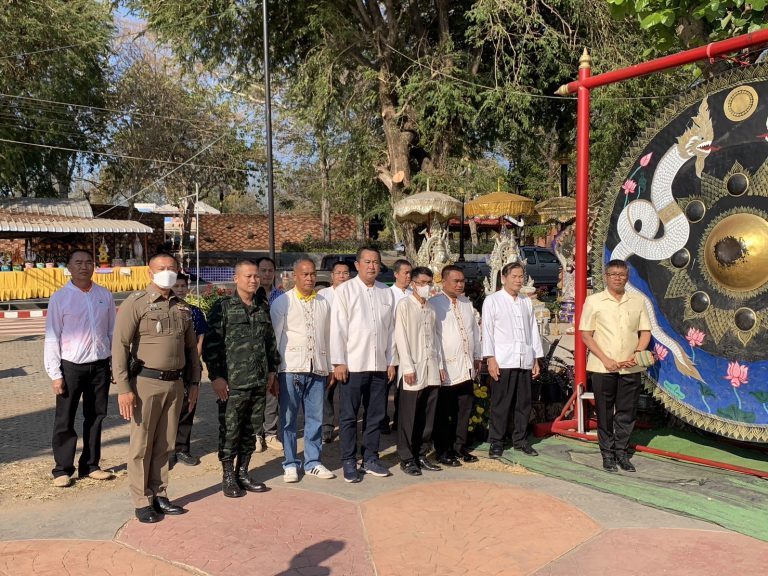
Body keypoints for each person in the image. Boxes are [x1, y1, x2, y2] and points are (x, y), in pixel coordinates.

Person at [112, 253, 201, 523]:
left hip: (174, 384)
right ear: (150, 273)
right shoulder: (136, 303)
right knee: (142, 444)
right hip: (145, 384)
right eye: (161, 269)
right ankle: (142, 500)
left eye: (172, 268)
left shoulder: (183, 308)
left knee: (165, 443)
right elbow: (119, 346)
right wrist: (124, 388)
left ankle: (160, 493)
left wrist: (194, 382)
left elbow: (191, 350)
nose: (167, 273)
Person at [203, 259, 281, 497]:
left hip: (258, 381)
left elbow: (269, 342)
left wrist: (271, 371)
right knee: (230, 430)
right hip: (232, 384)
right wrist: (216, 377)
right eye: (248, 276)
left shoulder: (262, 307)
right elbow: (211, 346)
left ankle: (243, 472)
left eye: (256, 276)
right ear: (236, 279)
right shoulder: (223, 307)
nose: (253, 280)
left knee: (251, 429)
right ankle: (228, 476)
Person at [44, 249, 116, 488]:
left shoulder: (104, 295)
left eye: (88, 262)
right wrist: (55, 374)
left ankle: (91, 465)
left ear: (94, 266)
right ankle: (62, 469)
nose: (84, 266)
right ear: (69, 267)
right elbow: (52, 337)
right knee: (65, 418)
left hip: (100, 366)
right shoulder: (60, 297)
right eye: (78, 262)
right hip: (71, 367)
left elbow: (112, 333)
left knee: (96, 416)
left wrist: (114, 363)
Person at [330, 246, 396, 483]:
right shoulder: (345, 291)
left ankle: (370, 457)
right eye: (367, 261)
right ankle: (348, 460)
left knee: (376, 415)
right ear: (357, 265)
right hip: (353, 364)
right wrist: (339, 361)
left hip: (379, 365)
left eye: (376, 262)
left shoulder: (386, 292)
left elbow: (391, 331)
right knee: (349, 415)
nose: (372, 266)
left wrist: (391, 361)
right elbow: (337, 328)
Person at [579, 259, 651, 473]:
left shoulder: (637, 301)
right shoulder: (594, 301)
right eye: (614, 274)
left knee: (627, 412)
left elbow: (645, 331)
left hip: (630, 366)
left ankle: (622, 452)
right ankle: (607, 454)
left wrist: (637, 353)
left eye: (622, 274)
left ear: (627, 277)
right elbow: (586, 335)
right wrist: (605, 359)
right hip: (603, 366)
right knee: (604, 411)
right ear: (606, 277)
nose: (618, 278)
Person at [270, 259, 336, 482]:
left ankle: (313, 462)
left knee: (315, 418)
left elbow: (327, 337)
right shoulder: (282, 303)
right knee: (288, 419)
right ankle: (289, 463)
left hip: (316, 368)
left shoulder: (323, 303)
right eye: (305, 274)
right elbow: (275, 338)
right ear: (295, 276)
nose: (309, 278)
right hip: (290, 369)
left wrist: (328, 368)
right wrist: (275, 372)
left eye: (312, 274)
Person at [481, 262, 543, 459]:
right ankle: (496, 441)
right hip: (503, 360)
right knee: (501, 403)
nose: (518, 280)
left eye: (520, 276)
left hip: (524, 358)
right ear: (503, 278)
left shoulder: (525, 301)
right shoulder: (493, 300)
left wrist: (535, 358)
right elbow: (487, 331)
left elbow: (533, 330)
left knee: (523, 404)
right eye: (514, 276)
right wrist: (490, 358)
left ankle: (520, 440)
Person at [394, 266, 445, 476]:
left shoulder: (431, 308)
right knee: (409, 416)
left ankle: (422, 453)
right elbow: (401, 338)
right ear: (413, 283)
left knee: (427, 414)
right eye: (422, 283)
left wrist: (440, 365)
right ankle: (407, 457)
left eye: (429, 283)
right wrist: (407, 366)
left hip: (431, 366)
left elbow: (436, 339)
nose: (426, 287)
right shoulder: (405, 305)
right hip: (412, 368)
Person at [430, 265, 481, 467]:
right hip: (446, 369)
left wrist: (477, 356)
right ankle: (443, 450)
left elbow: (474, 332)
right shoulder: (435, 304)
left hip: (467, 366)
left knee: (464, 409)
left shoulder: (466, 303)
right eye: (456, 281)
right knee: (445, 412)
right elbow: (434, 338)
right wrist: (439, 365)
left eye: (462, 281)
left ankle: (460, 447)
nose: (461, 284)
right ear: (444, 281)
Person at [169, 273, 207, 468]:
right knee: (169, 408)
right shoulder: (163, 310)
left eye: (183, 285)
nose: (180, 289)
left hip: (191, 366)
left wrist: (193, 361)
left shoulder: (194, 312)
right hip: (169, 366)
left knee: (188, 407)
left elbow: (200, 339)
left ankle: (182, 449)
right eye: (176, 285)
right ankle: (167, 450)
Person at [317, 261, 351, 443]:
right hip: (327, 351)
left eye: (345, 272)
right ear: (332, 276)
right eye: (338, 272)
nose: (342, 276)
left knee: (346, 393)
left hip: (350, 353)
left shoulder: (354, 293)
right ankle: (327, 427)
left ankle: (347, 427)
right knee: (326, 392)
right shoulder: (323, 295)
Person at [256, 256, 284, 453]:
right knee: (256, 395)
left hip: (275, 351)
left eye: (270, 270)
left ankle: (270, 433)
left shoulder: (281, 297)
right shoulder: (250, 295)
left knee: (272, 392)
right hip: (254, 353)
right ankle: (255, 434)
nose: (266, 274)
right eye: (263, 270)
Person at [382, 258, 412, 434]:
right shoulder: (388, 294)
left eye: (410, 273)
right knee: (385, 387)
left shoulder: (412, 294)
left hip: (408, 348)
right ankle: (382, 420)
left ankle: (400, 419)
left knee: (403, 388)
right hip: (390, 347)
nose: (408, 276)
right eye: (405, 273)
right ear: (396, 274)